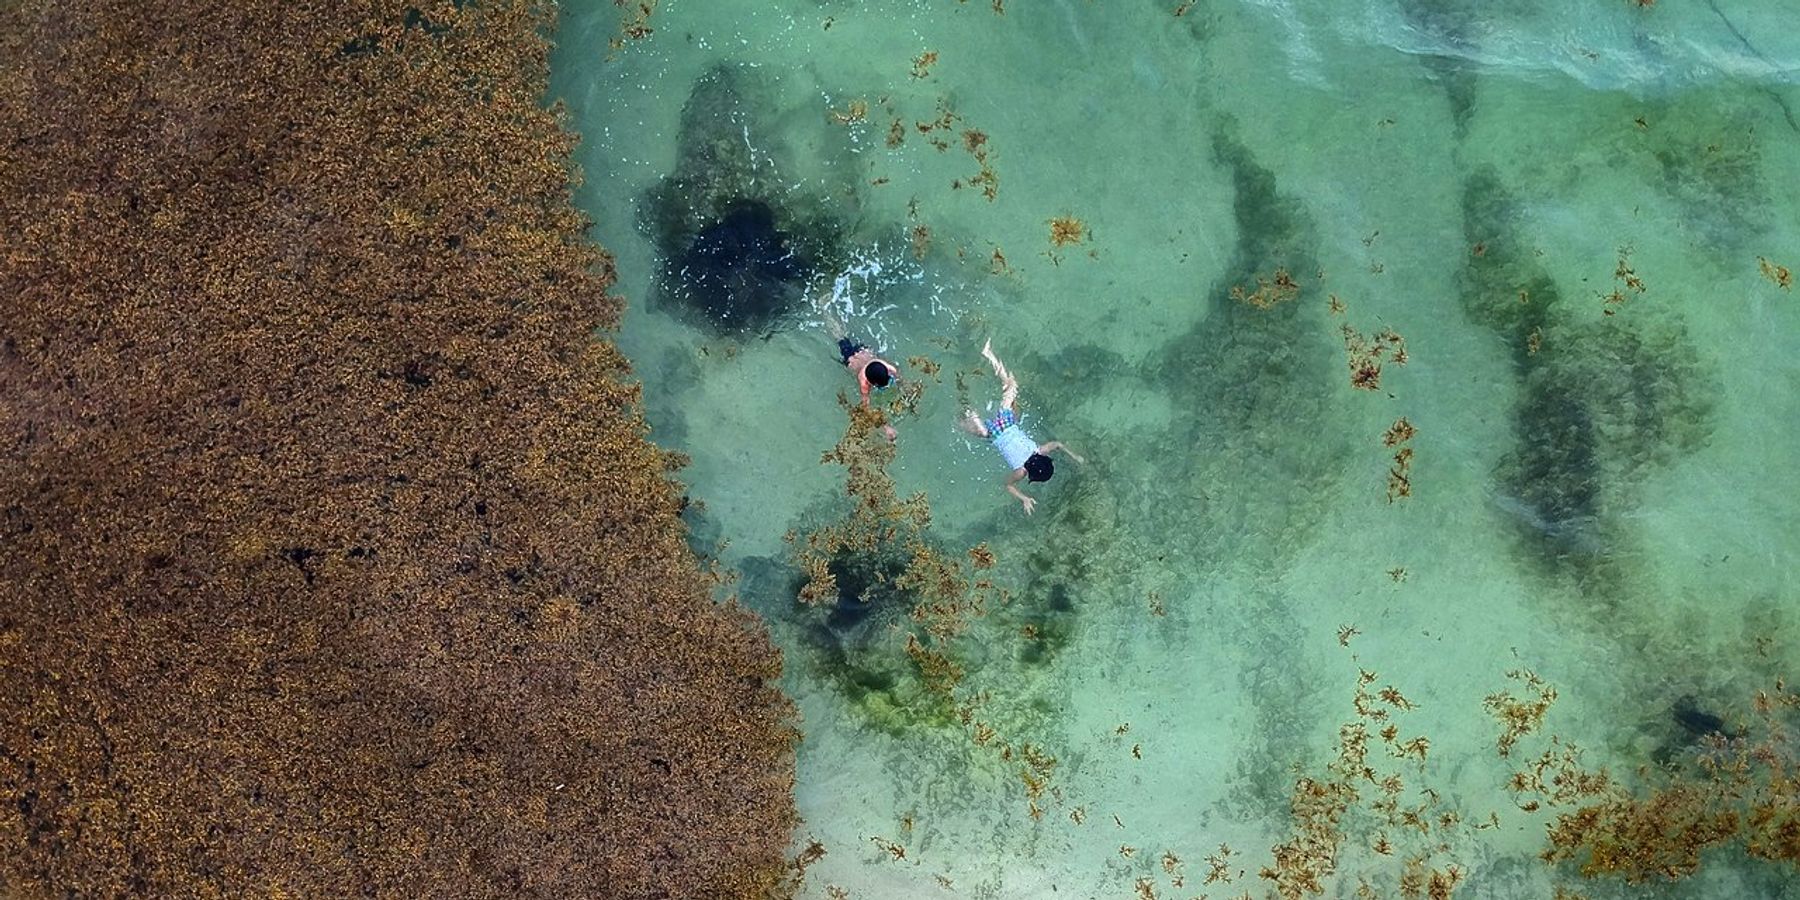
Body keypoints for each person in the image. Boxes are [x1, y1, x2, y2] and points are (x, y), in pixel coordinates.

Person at [957, 340, 1084, 515]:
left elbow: (1057, 444)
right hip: (994, 435)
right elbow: (1007, 485)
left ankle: (989, 355)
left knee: (1011, 386)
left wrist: (1074, 456)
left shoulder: (1039, 450)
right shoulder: (1021, 472)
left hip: (1006, 423)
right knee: (969, 422)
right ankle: (962, 399)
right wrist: (1024, 498)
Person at [819, 300, 901, 440]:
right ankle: (824, 309)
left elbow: (899, 378)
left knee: (844, 336)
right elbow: (866, 408)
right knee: (840, 337)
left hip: (863, 351)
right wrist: (885, 427)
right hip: (851, 357)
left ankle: (830, 308)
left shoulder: (887, 367)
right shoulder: (863, 382)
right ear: (871, 383)